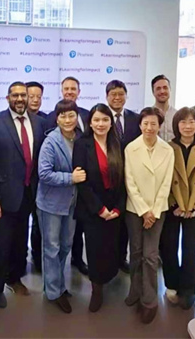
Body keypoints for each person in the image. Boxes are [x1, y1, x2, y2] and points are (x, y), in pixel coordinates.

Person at [0, 82, 45, 309]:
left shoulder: (39, 122)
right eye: (15, 95)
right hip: (3, 197)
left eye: (23, 95)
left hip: (29, 194)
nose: (19, 99)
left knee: (20, 241)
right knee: (2, 243)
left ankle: (14, 278)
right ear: (8, 98)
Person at [72, 104, 127, 312]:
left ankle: (108, 277)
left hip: (115, 207)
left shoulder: (118, 143)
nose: (101, 124)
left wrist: (118, 208)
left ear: (111, 123)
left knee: (111, 247)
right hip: (93, 207)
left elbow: (125, 178)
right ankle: (96, 290)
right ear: (90, 123)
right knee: (95, 250)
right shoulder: (82, 144)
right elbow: (82, 182)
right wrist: (99, 209)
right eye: (96, 120)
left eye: (105, 120)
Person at [160, 108, 195, 310]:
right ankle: (171, 285)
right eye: (183, 122)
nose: (187, 126)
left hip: (194, 208)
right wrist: (175, 204)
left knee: (190, 249)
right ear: (176, 125)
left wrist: (193, 206)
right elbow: (164, 179)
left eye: (191, 122)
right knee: (169, 246)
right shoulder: (168, 147)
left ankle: (189, 289)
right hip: (172, 206)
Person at [124, 108, 174, 324]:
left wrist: (153, 211)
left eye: (154, 124)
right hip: (135, 209)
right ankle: (135, 290)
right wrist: (144, 210)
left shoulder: (167, 150)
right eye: (145, 124)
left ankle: (149, 300)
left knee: (151, 256)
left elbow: (166, 184)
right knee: (136, 252)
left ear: (160, 126)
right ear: (140, 125)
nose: (149, 128)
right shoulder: (131, 148)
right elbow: (129, 182)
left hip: (158, 210)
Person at [36, 100, 83, 313]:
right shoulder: (51, 141)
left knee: (65, 246)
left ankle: (60, 284)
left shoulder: (81, 138)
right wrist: (70, 178)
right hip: (51, 204)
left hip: (72, 203)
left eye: (71, 115)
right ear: (57, 119)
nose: (67, 120)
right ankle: (53, 292)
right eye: (63, 116)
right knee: (51, 248)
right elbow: (44, 174)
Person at [46, 76, 89, 275]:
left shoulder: (87, 116)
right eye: (66, 88)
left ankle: (76, 261)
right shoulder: (51, 122)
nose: (70, 91)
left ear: (79, 92)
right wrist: (69, 177)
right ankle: (53, 281)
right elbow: (45, 169)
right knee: (53, 243)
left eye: (73, 88)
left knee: (73, 234)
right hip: (56, 193)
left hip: (80, 190)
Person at [105, 80, 140, 272]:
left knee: (126, 223)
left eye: (120, 94)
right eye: (113, 94)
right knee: (109, 223)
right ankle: (109, 260)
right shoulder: (101, 117)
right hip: (108, 177)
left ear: (126, 96)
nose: (117, 98)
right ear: (107, 97)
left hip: (131, 177)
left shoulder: (136, 119)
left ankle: (121, 258)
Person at [26, 81, 47, 273]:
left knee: (40, 225)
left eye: (38, 97)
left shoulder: (45, 121)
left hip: (41, 183)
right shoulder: (11, 121)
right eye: (31, 96)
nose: (35, 100)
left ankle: (38, 259)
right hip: (20, 184)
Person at [151, 75, 178, 142]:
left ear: (170, 90)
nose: (162, 91)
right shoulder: (148, 116)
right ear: (153, 92)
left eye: (165, 88)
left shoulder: (177, 115)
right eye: (158, 88)